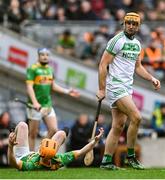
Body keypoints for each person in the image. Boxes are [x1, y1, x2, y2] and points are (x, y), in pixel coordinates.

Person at [97, 12, 161, 170]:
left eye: (134, 24)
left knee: (118, 125)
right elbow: (102, 64)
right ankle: (131, 158)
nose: (131, 26)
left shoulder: (138, 44)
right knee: (137, 117)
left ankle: (106, 161)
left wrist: (151, 78)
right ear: (123, 24)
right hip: (115, 86)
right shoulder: (116, 40)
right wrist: (101, 88)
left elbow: (138, 67)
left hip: (127, 87)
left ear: (138, 26)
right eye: (128, 23)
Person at [26, 48, 79, 151]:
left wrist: (67, 91)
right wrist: (35, 102)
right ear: (38, 56)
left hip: (47, 105)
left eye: (47, 55)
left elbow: (53, 86)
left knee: (54, 130)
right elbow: (29, 87)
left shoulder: (50, 69)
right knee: (33, 134)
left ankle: (40, 150)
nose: (45, 57)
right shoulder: (32, 69)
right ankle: (30, 156)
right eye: (42, 55)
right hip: (35, 106)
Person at [7, 121, 104, 171]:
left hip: (22, 156)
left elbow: (13, 163)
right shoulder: (57, 160)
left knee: (23, 125)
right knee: (61, 134)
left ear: (40, 152)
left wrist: (10, 146)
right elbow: (81, 152)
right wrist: (94, 141)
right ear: (54, 154)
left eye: (40, 146)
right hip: (42, 155)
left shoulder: (31, 165)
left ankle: (13, 132)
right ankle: (64, 134)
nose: (40, 144)